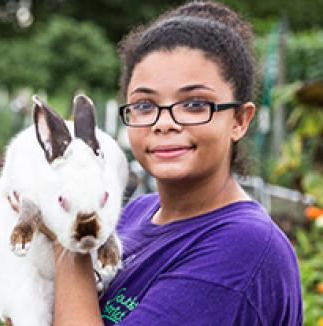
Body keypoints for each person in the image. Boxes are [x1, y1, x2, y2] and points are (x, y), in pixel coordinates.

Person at [52, 1, 303, 325]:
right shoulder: (135, 213)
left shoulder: (244, 248)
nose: (164, 123)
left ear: (240, 119)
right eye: (144, 105)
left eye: (195, 104)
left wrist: (64, 223)